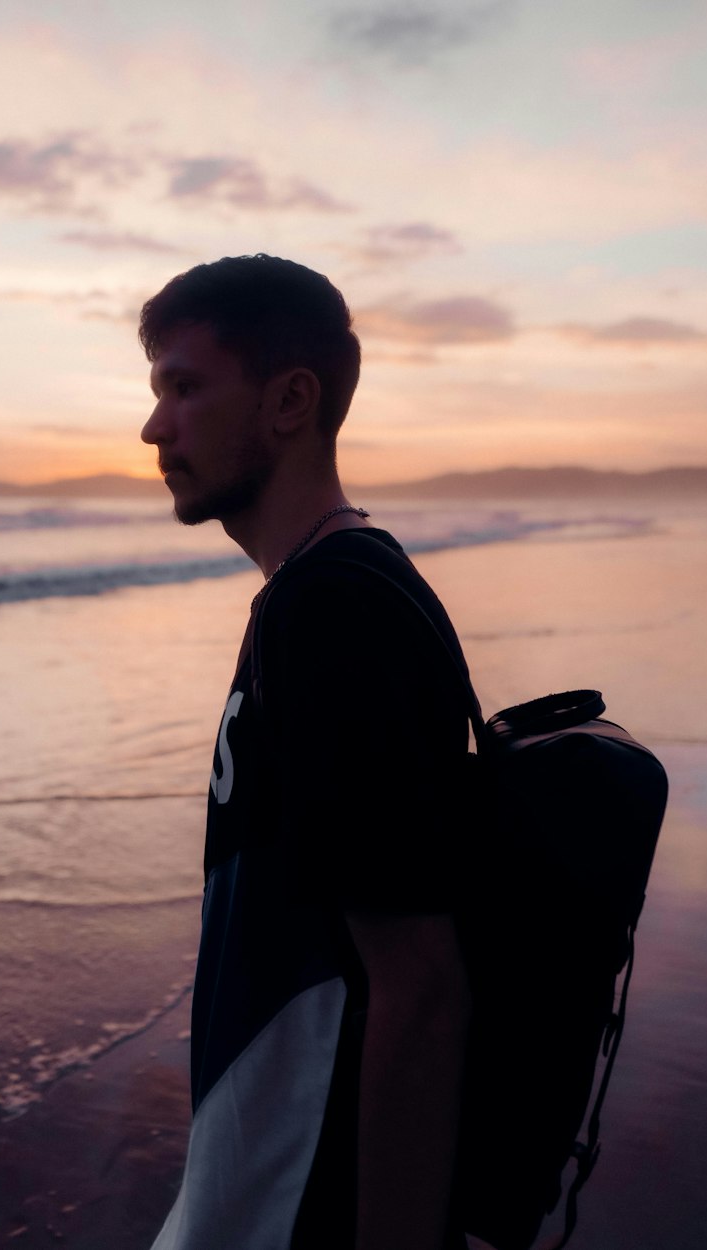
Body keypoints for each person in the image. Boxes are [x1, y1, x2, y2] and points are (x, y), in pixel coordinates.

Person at [138, 254, 473, 1250]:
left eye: (185, 387)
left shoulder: (336, 610)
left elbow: (418, 984)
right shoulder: (319, 590)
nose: (155, 426)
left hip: (295, 1197)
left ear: (290, 400)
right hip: (261, 1177)